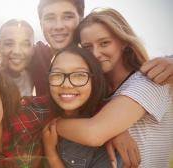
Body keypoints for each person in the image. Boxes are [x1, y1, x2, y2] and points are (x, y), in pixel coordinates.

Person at [53, 8, 173, 168]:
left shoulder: (149, 81)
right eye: (87, 47)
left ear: (124, 42)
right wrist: (113, 131)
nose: (95, 53)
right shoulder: (97, 92)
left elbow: (94, 132)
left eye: (104, 43)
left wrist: (53, 126)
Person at [32, 0, 173, 95]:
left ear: (81, 19)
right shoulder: (34, 54)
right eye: (50, 18)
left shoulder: (95, 60)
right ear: (41, 23)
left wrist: (169, 61)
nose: (58, 26)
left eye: (67, 17)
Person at [43, 45, 117, 168]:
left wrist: (51, 153)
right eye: (57, 75)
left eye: (79, 75)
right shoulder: (39, 116)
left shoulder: (106, 139)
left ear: (94, 80)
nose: (66, 84)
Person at [0, 19, 35, 96]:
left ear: (33, 49)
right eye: (9, 44)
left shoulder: (30, 77)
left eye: (25, 44)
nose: (17, 51)